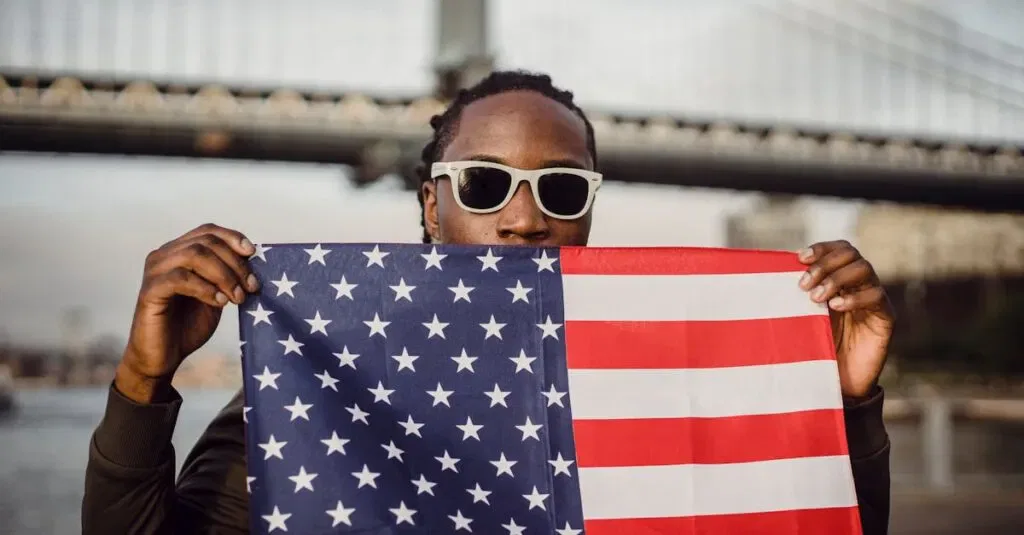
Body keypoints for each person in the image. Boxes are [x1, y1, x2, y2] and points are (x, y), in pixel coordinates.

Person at [82, 70, 893, 534]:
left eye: (562, 187)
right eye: (484, 181)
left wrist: (848, 402)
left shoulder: (670, 382)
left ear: (587, 211)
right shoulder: (322, 383)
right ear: (433, 206)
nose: (524, 216)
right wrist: (142, 383)